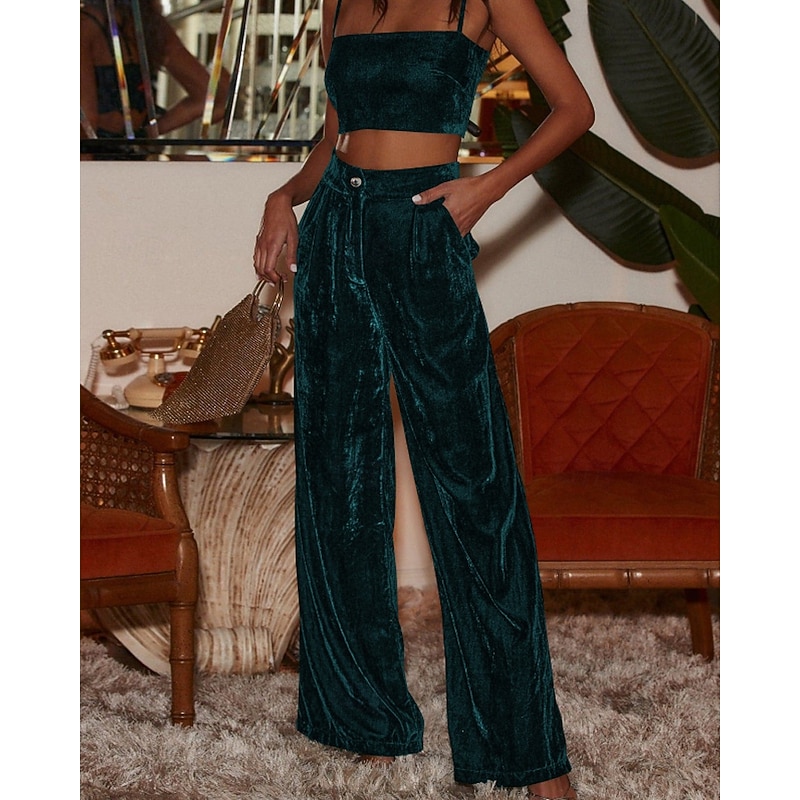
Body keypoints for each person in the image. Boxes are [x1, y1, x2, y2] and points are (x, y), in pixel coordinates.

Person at [252, 1, 594, 797]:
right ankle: (365, 719)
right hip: (335, 228)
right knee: (340, 482)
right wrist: (284, 196)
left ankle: (526, 752)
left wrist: (487, 189)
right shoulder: (341, 3)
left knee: (477, 491)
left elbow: (573, 108)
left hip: (420, 224)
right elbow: (336, 134)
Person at [80, 0, 229, 143]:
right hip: (133, 151)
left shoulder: (84, 26)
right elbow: (215, 97)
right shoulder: (149, 23)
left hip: (96, 152)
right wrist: (148, 133)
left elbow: (86, 122)